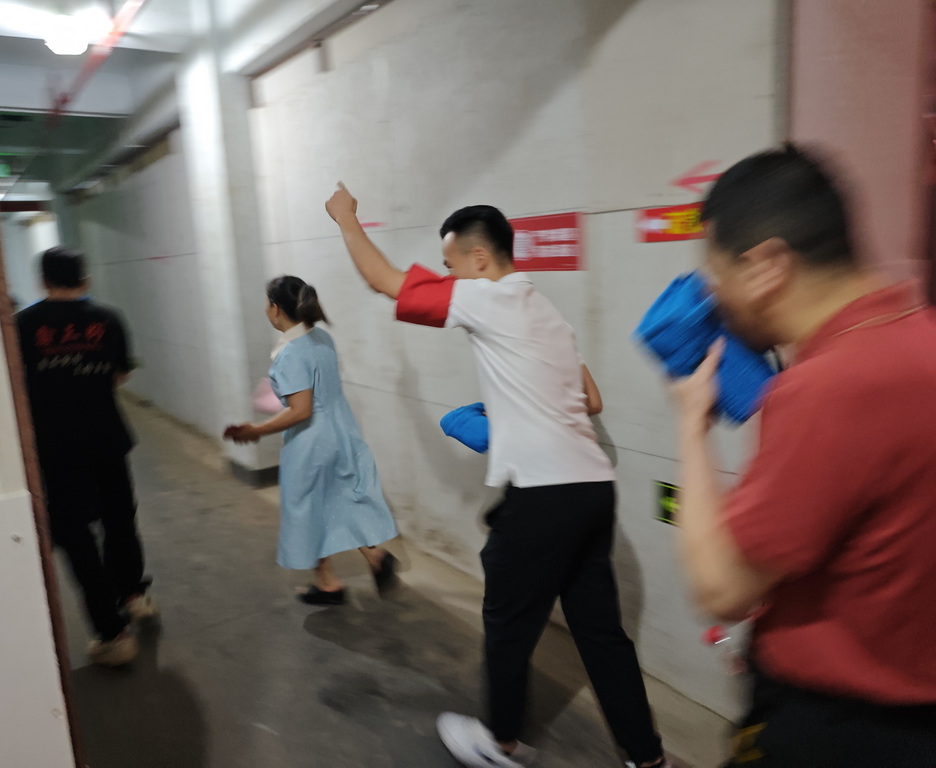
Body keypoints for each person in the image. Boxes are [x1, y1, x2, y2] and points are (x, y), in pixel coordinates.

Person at [325, 187, 670, 768]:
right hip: (592, 490)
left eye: (450, 264)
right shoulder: (547, 313)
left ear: (479, 258)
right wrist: (516, 409)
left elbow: (384, 281)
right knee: (601, 634)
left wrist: (346, 218)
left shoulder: (487, 297)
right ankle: (646, 756)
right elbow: (590, 399)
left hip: (543, 496)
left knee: (508, 621)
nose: (448, 276)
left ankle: (500, 743)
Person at [668, 145, 936, 767]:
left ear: (766, 265)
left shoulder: (830, 388)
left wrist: (691, 426)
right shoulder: (918, 337)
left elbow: (722, 587)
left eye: (718, 277)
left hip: (836, 729)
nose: (715, 300)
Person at [16, 247, 156, 667]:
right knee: (119, 518)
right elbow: (119, 375)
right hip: (106, 436)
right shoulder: (109, 319)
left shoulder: (22, 325)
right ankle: (133, 596)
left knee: (76, 536)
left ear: (43, 281)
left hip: (55, 446)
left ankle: (113, 634)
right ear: (86, 280)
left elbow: (17, 385)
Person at [223, 276, 399, 604]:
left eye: (267, 303)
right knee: (340, 498)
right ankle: (375, 556)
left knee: (308, 508)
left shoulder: (289, 353)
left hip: (311, 442)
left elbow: (301, 409)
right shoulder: (322, 338)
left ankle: (327, 582)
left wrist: (256, 430)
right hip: (341, 430)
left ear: (275, 309)